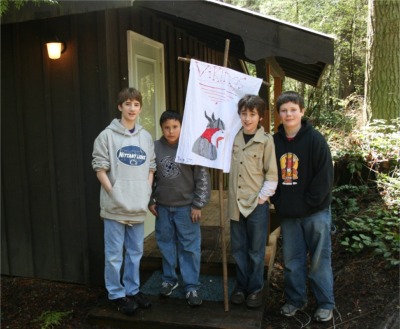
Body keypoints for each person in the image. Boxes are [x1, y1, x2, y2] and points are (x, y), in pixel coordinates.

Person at [272, 91, 335, 322]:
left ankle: (325, 303)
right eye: (284, 110)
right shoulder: (274, 142)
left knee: (319, 260)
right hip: (289, 215)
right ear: (279, 114)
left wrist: (307, 204)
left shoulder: (315, 140)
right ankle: (295, 300)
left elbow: (325, 178)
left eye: (293, 109)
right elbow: (269, 175)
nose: (289, 114)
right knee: (292, 261)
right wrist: (278, 201)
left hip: (315, 212)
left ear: (302, 111)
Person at [92, 87, 156, 315]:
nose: (132, 108)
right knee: (114, 254)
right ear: (120, 107)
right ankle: (116, 294)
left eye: (136, 104)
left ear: (139, 108)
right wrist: (114, 194)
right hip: (115, 207)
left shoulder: (145, 137)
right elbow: (100, 169)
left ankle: (133, 289)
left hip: (137, 206)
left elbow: (151, 167)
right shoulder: (106, 136)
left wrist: (147, 190)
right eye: (128, 104)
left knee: (136, 252)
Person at [148, 110, 211, 307]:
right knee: (166, 244)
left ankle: (191, 286)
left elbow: (202, 177)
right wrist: (150, 200)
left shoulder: (191, 147)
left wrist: (198, 204)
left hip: (186, 208)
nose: (171, 131)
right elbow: (149, 176)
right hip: (163, 207)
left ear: (181, 127)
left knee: (189, 247)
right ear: (161, 128)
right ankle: (169, 280)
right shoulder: (155, 147)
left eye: (175, 127)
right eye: (166, 127)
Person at [228, 95, 278, 308]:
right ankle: (240, 286)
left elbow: (272, 174)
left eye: (252, 114)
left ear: (260, 117)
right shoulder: (232, 138)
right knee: (239, 248)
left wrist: (261, 199)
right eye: (244, 114)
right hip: (235, 204)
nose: (247, 118)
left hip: (256, 204)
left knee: (256, 250)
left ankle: (255, 289)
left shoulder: (266, 141)